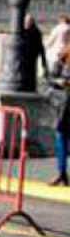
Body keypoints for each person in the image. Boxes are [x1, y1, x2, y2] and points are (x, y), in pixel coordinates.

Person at [49, 45, 70, 186]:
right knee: (61, 139)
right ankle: (61, 173)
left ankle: (62, 174)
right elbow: (51, 78)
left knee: (62, 138)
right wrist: (61, 82)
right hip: (62, 105)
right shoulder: (61, 60)